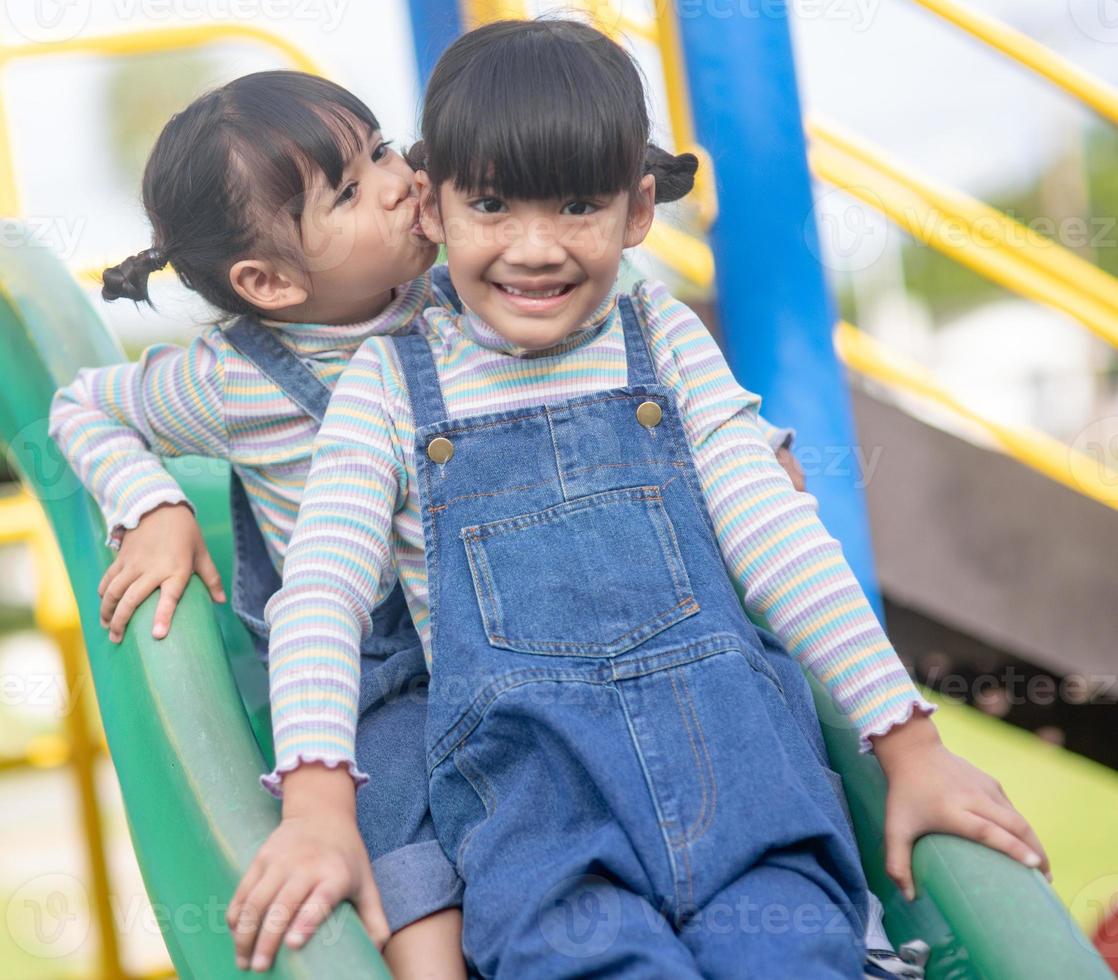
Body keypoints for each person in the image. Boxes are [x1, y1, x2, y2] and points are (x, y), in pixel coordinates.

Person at [232, 20, 1049, 978]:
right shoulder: (388, 386)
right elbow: (323, 592)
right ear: (431, 207)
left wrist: (909, 746)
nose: (535, 248)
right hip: (538, 826)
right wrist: (319, 805)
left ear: (636, 211)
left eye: (577, 205)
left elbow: (774, 534)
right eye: (492, 204)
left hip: (747, 791)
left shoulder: (661, 341)